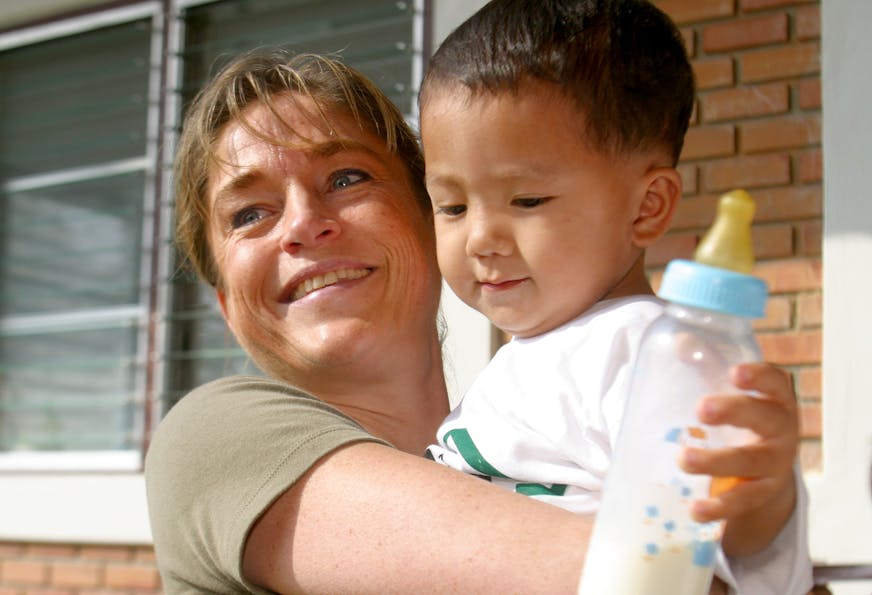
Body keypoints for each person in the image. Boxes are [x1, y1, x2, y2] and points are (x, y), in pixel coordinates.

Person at [143, 47, 803, 595]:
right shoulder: (214, 439)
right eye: (248, 213)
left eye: (346, 178)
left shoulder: (524, 432)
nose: (303, 224)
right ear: (227, 302)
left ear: (431, 220)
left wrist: (762, 507)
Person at [419, 0, 812, 594]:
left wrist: (762, 497)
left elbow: (715, 551)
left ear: (647, 205)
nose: (479, 238)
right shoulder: (540, 353)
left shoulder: (646, 353)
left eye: (526, 201)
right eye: (452, 206)